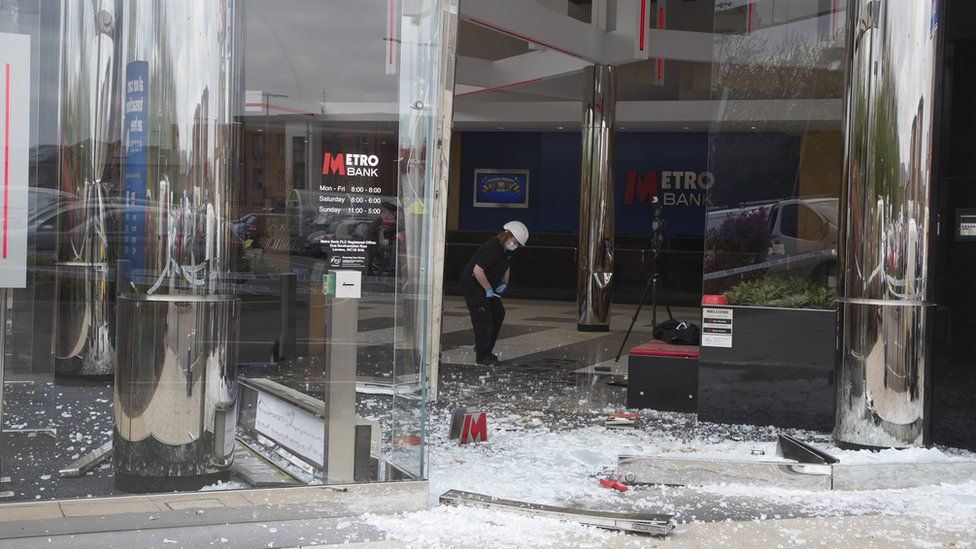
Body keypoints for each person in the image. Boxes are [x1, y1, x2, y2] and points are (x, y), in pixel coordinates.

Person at [460, 221, 529, 365]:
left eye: (517, 244)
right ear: (508, 236)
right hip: (474, 285)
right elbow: (477, 271)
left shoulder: (507, 250)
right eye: (515, 242)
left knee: (498, 313)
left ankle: (484, 348)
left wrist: (504, 283)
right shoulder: (492, 248)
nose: (515, 245)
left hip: (488, 284)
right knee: (483, 317)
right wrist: (488, 290)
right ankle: (482, 355)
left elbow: (506, 266)